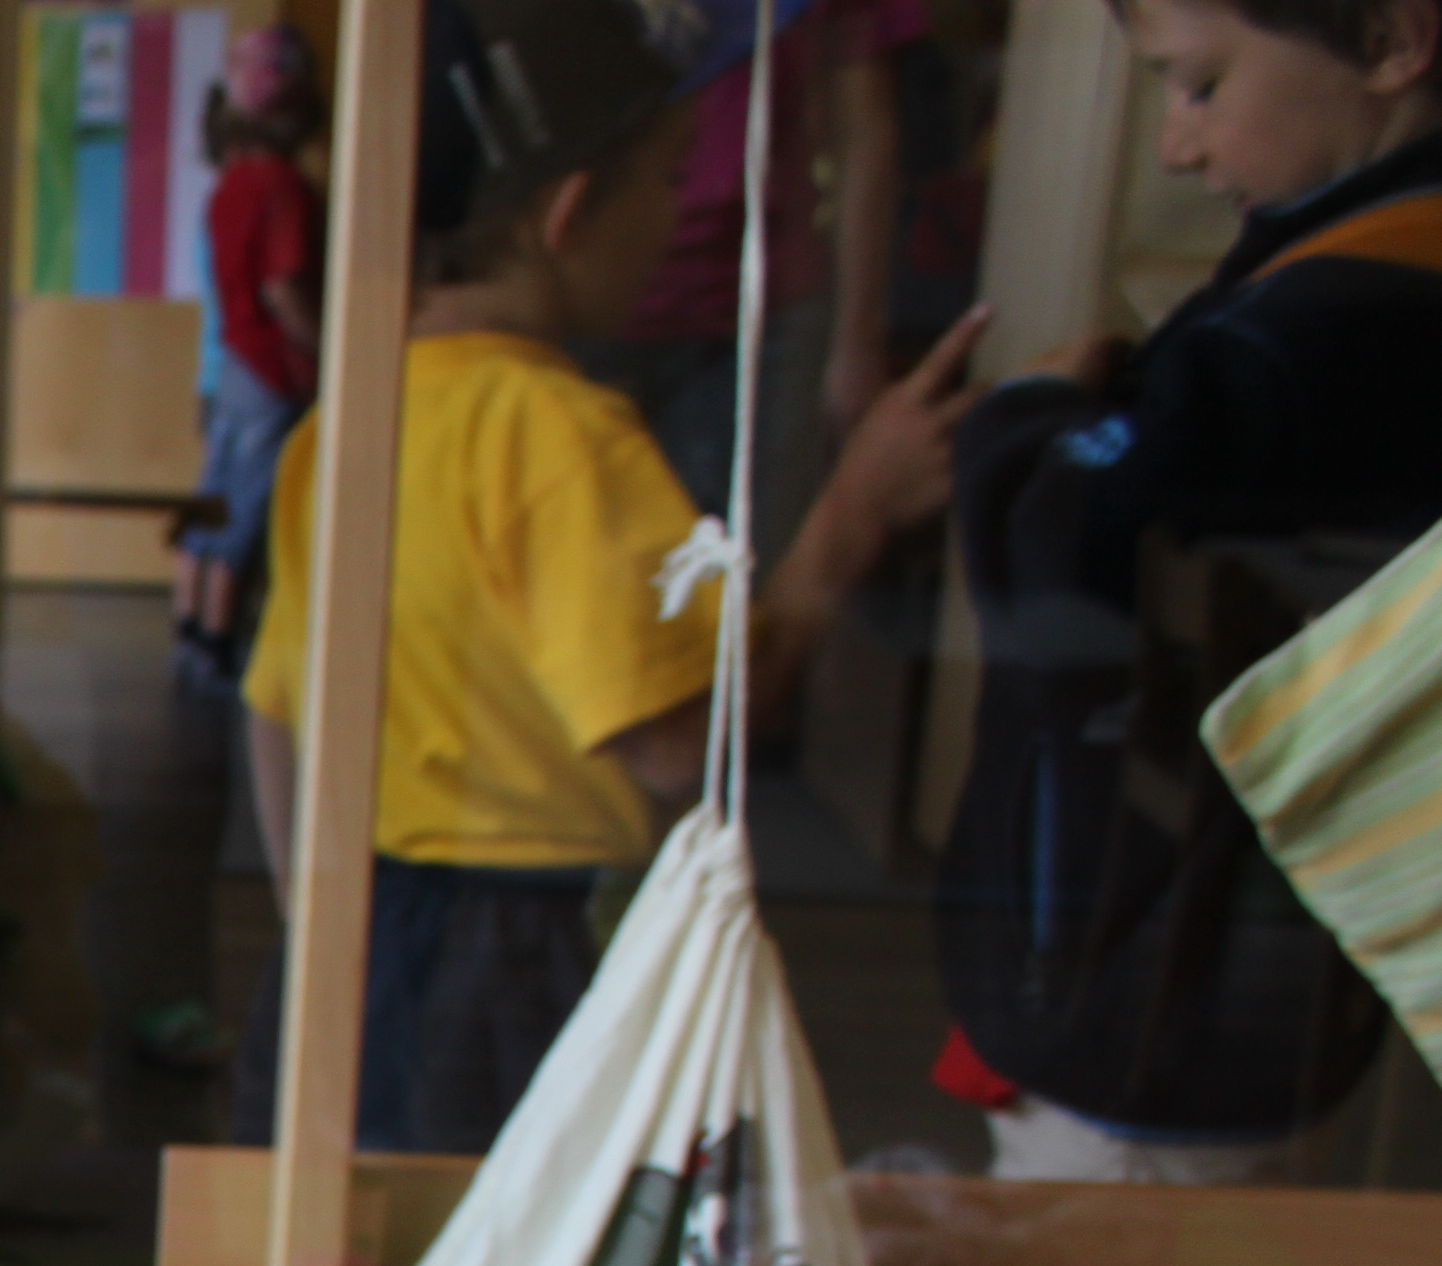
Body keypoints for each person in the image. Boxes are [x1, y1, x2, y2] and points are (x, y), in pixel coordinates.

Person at [232, 0, 983, 1151]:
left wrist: (320, 938)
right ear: (571, 216)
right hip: (513, 948)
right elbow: (675, 743)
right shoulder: (561, 434)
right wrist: (846, 524)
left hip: (363, 921)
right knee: (519, 1231)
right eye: (672, 178)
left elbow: (276, 718)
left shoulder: (343, 423)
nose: (681, 213)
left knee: (381, 1226)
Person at [934, 0, 1442, 1176]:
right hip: (1254, 970)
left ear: (1389, 41)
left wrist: (1026, 415)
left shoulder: (1319, 332)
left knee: (1102, 1252)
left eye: (1201, 84)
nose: (1174, 145)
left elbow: (1067, 536)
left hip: (1158, 995)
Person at [583, 0, 928, 544]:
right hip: (583, 299)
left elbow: (862, 126)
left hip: (766, 307)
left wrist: (856, 342)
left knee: (755, 568)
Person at [181, 22, 329, 678]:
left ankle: (189, 623)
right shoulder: (284, 188)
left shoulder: (228, 185)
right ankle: (218, 640)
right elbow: (283, 288)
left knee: (214, 492)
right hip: (272, 366)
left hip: (231, 362)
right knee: (250, 503)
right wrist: (329, 352)